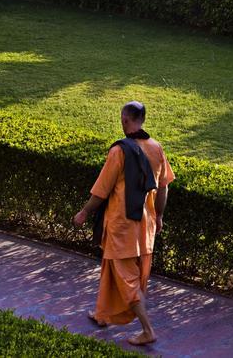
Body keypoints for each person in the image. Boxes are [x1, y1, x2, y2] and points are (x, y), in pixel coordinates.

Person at [72, 100, 173, 347]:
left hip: (122, 227)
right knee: (117, 270)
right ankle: (103, 314)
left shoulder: (119, 151)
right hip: (145, 226)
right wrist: (159, 216)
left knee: (127, 281)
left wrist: (84, 212)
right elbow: (163, 188)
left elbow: (102, 190)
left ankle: (148, 330)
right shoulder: (157, 148)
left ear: (125, 120)